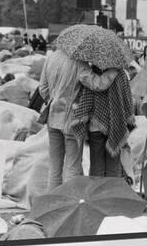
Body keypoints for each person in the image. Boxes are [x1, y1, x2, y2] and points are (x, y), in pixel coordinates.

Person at [39, 50, 119, 190]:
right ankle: (70, 201)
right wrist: (112, 71)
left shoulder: (51, 58)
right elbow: (97, 84)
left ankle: (53, 203)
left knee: (54, 167)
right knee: (73, 165)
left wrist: (54, 99)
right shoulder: (79, 63)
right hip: (72, 120)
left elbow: (43, 89)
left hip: (52, 118)